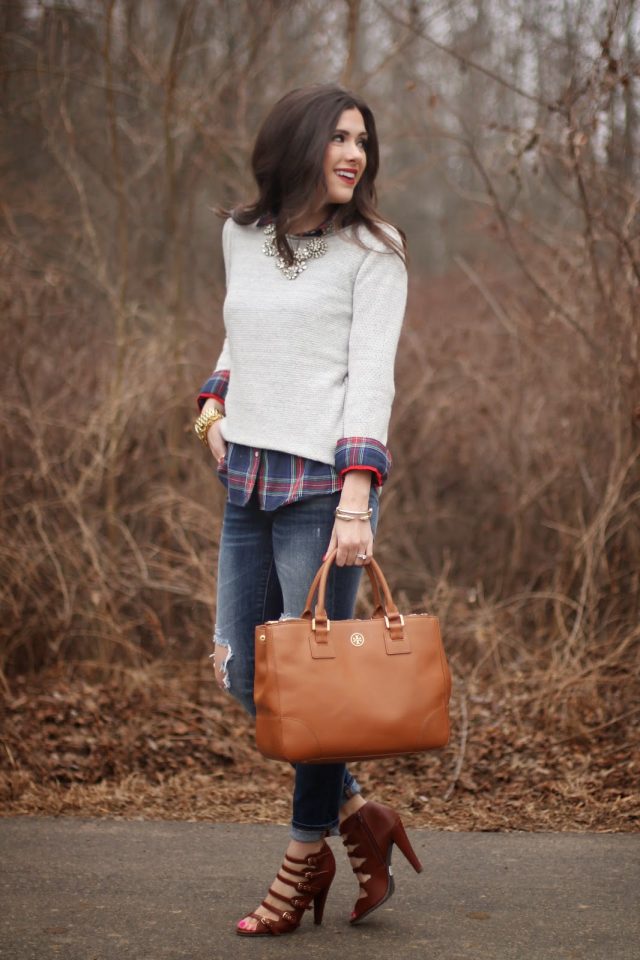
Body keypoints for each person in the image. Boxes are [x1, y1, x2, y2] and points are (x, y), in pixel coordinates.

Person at [193, 83, 420, 937]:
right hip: (245, 480)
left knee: (316, 688)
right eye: (338, 138)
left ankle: (302, 862)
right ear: (297, 145)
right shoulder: (241, 234)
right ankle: (361, 814)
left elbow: (373, 377)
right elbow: (237, 333)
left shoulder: (377, 250)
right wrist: (212, 407)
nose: (354, 155)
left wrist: (357, 501)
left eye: (363, 140)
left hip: (323, 493)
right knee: (249, 676)